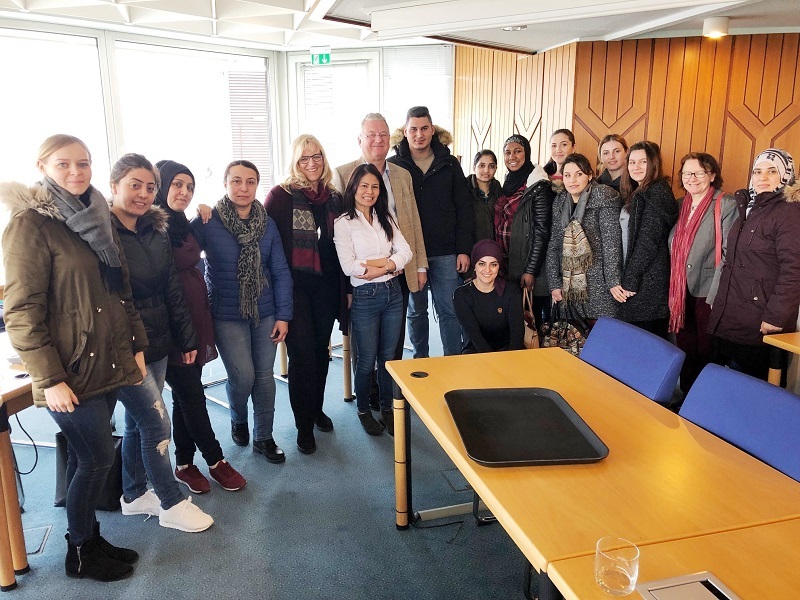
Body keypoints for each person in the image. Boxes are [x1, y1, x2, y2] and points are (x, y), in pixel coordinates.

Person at [1, 135, 146, 580]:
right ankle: (81, 551)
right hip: (69, 370)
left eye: (83, 164)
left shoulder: (96, 215)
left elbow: (120, 292)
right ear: (42, 165)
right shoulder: (31, 224)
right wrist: (49, 379)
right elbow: (21, 312)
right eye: (64, 164)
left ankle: (88, 538)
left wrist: (136, 346)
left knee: (95, 456)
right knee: (97, 458)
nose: (76, 172)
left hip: (107, 360)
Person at [109, 154, 214, 533]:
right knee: (157, 421)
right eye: (134, 185)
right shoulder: (103, 234)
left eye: (149, 187)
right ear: (114, 185)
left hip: (159, 337)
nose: (142, 194)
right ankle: (171, 501)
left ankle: (134, 494)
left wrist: (185, 337)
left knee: (139, 424)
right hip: (125, 346)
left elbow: (171, 287)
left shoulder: (154, 229)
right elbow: (111, 299)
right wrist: (131, 345)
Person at [153, 160, 246, 492]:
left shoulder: (180, 222)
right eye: (177, 185)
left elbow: (201, 236)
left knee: (185, 394)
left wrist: (202, 211)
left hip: (195, 316)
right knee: (192, 395)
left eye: (190, 187)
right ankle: (215, 459)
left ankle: (183, 463)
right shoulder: (152, 227)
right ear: (161, 185)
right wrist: (182, 333)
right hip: (173, 324)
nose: (184, 192)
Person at [192, 160, 293, 463]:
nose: (243, 188)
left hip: (266, 311)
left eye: (250, 182)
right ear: (225, 184)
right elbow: (180, 251)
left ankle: (264, 437)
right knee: (243, 376)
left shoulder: (267, 222)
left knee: (264, 376)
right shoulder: (208, 221)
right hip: (226, 313)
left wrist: (284, 315)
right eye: (236, 181)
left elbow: (280, 271)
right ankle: (238, 417)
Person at [334, 113, 428, 408]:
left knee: (392, 345)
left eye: (384, 135)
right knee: (364, 352)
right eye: (371, 134)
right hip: (360, 285)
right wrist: (381, 265)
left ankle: (388, 399)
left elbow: (412, 222)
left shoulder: (401, 174)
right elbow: (342, 242)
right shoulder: (341, 173)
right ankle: (367, 396)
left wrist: (415, 263)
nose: (378, 140)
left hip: (396, 276)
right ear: (359, 139)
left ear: (391, 139)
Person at [265, 135, 347, 455]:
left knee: (320, 352)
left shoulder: (334, 198)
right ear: (295, 163)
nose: (311, 163)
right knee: (302, 356)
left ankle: (315, 409)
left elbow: (343, 246)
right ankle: (303, 426)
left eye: (317, 157)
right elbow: (263, 239)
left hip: (326, 286)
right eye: (304, 159)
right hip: (294, 288)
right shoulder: (280, 197)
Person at [333, 163, 412, 436]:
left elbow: (406, 252)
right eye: (364, 186)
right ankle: (364, 409)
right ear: (353, 188)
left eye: (375, 186)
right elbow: (348, 266)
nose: (369, 191)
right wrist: (389, 263)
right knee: (366, 360)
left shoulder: (386, 217)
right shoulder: (343, 223)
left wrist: (382, 267)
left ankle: (387, 408)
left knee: (389, 357)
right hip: (366, 297)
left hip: (393, 293)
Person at [708, 149, 800, 380]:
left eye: (772, 171)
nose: (762, 177)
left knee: (749, 390)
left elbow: (794, 270)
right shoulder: (748, 206)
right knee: (722, 383)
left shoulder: (789, 212)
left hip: (760, 320)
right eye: (757, 171)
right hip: (731, 312)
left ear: (786, 176)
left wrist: (776, 318)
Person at [388, 106, 473, 357]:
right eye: (413, 129)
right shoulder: (394, 166)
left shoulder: (449, 164)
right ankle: (420, 361)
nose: (419, 134)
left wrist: (463, 249)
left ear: (432, 130)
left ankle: (452, 362)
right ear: (405, 132)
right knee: (416, 312)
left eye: (424, 128)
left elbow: (464, 208)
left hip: (446, 252)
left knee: (449, 310)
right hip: (410, 253)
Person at [667, 153, 737, 391]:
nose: (692, 178)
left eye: (699, 172)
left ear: (712, 175)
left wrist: (714, 295)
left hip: (708, 291)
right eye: (687, 173)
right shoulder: (679, 205)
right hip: (681, 290)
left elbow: (729, 252)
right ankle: (686, 400)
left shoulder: (724, 203)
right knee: (686, 350)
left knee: (708, 352)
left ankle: (706, 402)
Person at [546, 153, 623, 321]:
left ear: (590, 176)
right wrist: (554, 283)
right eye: (567, 175)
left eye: (578, 174)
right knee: (573, 341)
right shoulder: (560, 202)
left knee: (600, 340)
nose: (572, 180)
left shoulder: (603, 196)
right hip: (568, 285)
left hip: (599, 285)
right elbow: (554, 244)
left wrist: (613, 282)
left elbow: (611, 245)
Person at [618, 141, 679, 337]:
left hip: (648, 281)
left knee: (643, 346)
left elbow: (647, 242)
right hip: (644, 278)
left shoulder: (654, 193)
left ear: (653, 164)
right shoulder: (641, 192)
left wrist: (630, 280)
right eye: (632, 162)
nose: (636, 167)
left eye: (642, 162)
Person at [495, 134, 554, 328]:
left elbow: (542, 231)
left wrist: (531, 270)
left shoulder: (538, 185)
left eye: (517, 151)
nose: (512, 156)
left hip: (526, 265)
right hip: (507, 263)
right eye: (507, 152)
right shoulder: (507, 182)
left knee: (529, 322)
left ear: (526, 153)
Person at [454, 239, 524, 353]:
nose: (487, 270)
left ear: (499, 266)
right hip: (476, 352)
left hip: (509, 352)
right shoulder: (462, 295)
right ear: (474, 265)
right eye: (482, 263)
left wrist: (512, 362)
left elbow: (517, 335)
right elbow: (475, 336)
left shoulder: (511, 291)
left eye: (493, 264)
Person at [467, 150, 502, 243]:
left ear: (496, 168)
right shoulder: (463, 190)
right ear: (474, 167)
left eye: (491, 166)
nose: (486, 170)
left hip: (495, 250)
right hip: (470, 249)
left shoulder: (501, 193)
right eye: (482, 165)